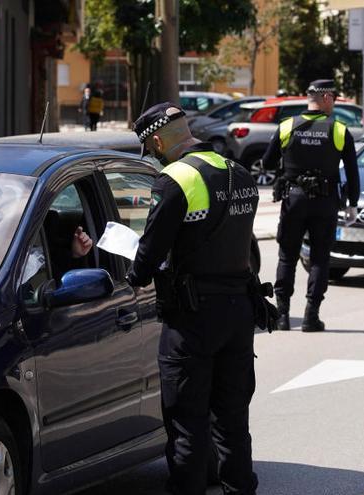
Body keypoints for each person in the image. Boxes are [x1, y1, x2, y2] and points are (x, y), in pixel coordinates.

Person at [125, 102, 262, 495]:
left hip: (192, 319)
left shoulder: (175, 179)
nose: (152, 154)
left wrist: (135, 276)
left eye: (150, 148)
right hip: (239, 314)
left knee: (187, 423)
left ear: (155, 140)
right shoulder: (240, 173)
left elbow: (149, 254)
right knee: (233, 421)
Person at [261, 79, 360, 332]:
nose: (334, 104)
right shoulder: (338, 130)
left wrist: (290, 168)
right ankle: (310, 316)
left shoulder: (286, 127)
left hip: (293, 200)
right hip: (325, 202)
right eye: (334, 99)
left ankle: (282, 316)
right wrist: (353, 203)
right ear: (326, 98)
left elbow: (267, 163)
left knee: (287, 257)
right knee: (319, 258)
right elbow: (352, 171)